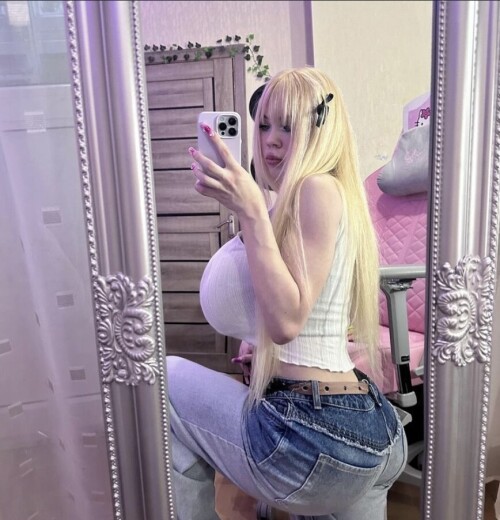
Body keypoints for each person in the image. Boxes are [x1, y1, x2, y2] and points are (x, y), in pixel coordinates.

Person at [167, 67, 407, 520]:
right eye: (263, 126)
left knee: (163, 381)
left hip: (312, 434)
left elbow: (287, 322)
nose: (271, 140)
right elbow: (307, 312)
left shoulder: (315, 188)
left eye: (288, 126)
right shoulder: (330, 196)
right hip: (369, 426)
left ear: (321, 130)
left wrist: (253, 214)